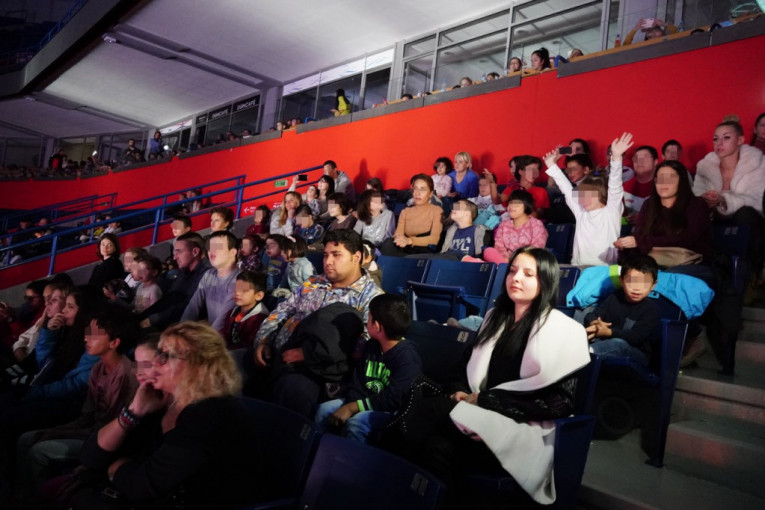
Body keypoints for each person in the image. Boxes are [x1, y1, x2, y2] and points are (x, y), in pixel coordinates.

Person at [389, 247, 590, 506]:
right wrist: (460, 390)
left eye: (528, 274)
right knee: (437, 448)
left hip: (522, 431)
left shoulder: (563, 330)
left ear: (546, 281)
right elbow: (463, 367)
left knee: (427, 410)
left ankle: (382, 476)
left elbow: (558, 404)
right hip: (476, 421)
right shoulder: (496, 318)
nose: (516, 278)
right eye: (513, 271)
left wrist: (483, 401)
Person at [74, 321, 263, 509]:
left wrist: (116, 469)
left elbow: (141, 486)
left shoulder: (211, 413)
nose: (154, 364)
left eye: (164, 357)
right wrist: (133, 412)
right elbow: (91, 457)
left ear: (197, 365)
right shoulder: (160, 401)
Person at [247, 229, 383, 417]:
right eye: (326, 255)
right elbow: (282, 311)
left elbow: (364, 346)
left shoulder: (371, 297)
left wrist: (309, 354)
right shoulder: (313, 282)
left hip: (315, 372)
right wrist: (264, 341)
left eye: (336, 255)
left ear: (356, 257)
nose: (328, 261)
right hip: (277, 354)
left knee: (292, 390)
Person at [14, 307, 139, 504]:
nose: (86, 338)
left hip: (103, 444)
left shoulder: (125, 376)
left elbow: (106, 428)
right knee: (25, 439)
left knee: (38, 452)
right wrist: (56, 431)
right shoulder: (97, 368)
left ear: (114, 342)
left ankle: (40, 500)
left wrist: (55, 433)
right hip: (91, 431)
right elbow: (88, 416)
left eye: (94, 334)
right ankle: (24, 493)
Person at [315, 294, 421, 443]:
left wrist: (353, 408)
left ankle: (351, 457)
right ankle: (320, 451)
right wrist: (352, 404)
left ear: (376, 326)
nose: (366, 322)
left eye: (369, 319)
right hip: (362, 402)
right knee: (323, 411)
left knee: (357, 423)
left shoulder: (407, 358)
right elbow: (357, 381)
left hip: (389, 411)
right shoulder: (372, 346)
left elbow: (393, 399)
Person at [544, 133, 632, 266]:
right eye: (582, 194)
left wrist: (616, 157)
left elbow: (615, 185)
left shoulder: (611, 211)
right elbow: (566, 188)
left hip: (605, 271)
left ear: (601, 194)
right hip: (579, 269)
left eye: (589, 194)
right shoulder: (580, 211)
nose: (584, 199)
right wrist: (551, 164)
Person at [693, 117, 765, 272]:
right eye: (715, 139)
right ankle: (703, 267)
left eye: (726, 138)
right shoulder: (705, 166)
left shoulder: (758, 163)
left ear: (740, 140)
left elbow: (758, 201)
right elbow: (695, 194)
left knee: (746, 214)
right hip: (713, 218)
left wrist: (724, 200)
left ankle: (748, 272)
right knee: (695, 210)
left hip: (749, 221)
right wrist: (705, 199)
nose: (719, 143)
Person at [614, 160, 711, 260]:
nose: (663, 183)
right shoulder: (648, 204)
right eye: (660, 178)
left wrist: (641, 241)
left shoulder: (696, 205)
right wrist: (625, 244)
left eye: (669, 178)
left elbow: (687, 239)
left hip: (688, 261)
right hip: (651, 260)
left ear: (682, 181)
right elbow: (639, 236)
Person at [585, 255, 660, 367]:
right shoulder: (613, 298)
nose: (637, 288)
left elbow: (636, 337)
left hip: (637, 354)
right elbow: (593, 314)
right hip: (605, 345)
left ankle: (582, 355)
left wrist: (609, 332)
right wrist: (595, 324)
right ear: (621, 281)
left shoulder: (651, 309)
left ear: (653, 285)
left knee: (618, 344)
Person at [139, 233, 210, 331]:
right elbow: (171, 298)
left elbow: (186, 305)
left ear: (195, 252)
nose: (175, 257)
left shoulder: (207, 273)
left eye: (179, 252)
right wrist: (143, 316)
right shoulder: (184, 271)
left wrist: (152, 320)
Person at [181, 231, 240, 333]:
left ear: (233, 252)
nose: (211, 251)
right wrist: (181, 330)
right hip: (210, 333)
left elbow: (223, 320)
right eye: (210, 248)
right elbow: (192, 307)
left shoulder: (240, 280)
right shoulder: (209, 275)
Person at [379, 174, 443, 256]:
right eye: (415, 189)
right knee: (388, 244)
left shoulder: (436, 210)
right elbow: (398, 233)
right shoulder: (405, 212)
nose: (417, 193)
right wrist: (399, 239)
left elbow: (434, 239)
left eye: (423, 189)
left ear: (430, 193)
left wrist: (410, 240)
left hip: (423, 251)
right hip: (404, 247)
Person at [481, 189, 548, 264]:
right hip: (505, 261)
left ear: (526, 206)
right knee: (488, 251)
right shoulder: (504, 225)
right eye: (510, 203)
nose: (511, 207)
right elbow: (499, 246)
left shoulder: (536, 225)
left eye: (516, 204)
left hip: (526, 261)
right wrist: (505, 258)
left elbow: (537, 247)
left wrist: (517, 259)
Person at [222, 271, 269, 351]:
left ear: (259, 295)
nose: (237, 293)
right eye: (237, 289)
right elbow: (224, 334)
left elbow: (249, 345)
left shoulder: (260, 319)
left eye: (244, 290)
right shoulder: (232, 312)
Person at [623, 145, 659, 218]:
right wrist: (626, 220)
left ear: (655, 162)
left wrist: (644, 219)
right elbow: (619, 218)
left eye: (645, 158)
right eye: (636, 158)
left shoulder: (663, 188)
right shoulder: (624, 188)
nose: (640, 162)